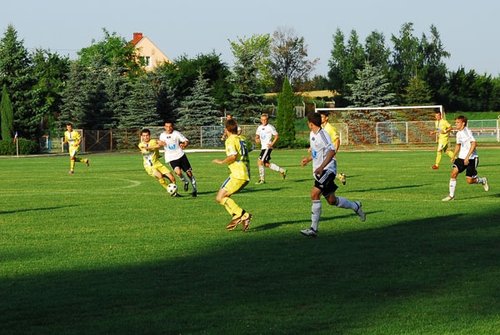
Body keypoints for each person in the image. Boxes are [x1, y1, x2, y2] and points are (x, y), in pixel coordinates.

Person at [300, 111, 366, 238]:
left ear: (310, 124)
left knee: (314, 193)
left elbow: (331, 151)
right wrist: (308, 159)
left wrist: (321, 167)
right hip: (320, 170)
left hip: (328, 170)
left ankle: (313, 229)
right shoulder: (312, 134)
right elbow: (317, 152)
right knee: (331, 200)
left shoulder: (323, 135)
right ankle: (355, 206)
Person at [212, 118, 252, 231]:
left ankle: (242, 214)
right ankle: (237, 216)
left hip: (238, 174)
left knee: (220, 197)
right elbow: (251, 148)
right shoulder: (242, 139)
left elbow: (233, 156)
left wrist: (221, 162)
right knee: (223, 197)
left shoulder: (230, 140)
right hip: (245, 174)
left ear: (226, 129)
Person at [442, 115, 489, 201]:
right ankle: (451, 195)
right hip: (461, 158)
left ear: (463, 123)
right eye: (455, 122)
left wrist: (467, 157)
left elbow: (474, 144)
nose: (456, 124)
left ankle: (482, 180)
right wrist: (453, 155)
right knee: (453, 173)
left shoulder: (467, 132)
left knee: (469, 181)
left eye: (458, 122)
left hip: (472, 158)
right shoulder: (458, 133)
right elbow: (458, 145)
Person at [159, 121, 198, 197]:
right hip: (171, 157)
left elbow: (186, 141)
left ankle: (194, 189)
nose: (168, 128)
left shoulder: (176, 133)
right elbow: (160, 142)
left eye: (170, 126)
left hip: (180, 155)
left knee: (189, 173)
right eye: (167, 126)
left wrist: (184, 144)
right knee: (178, 173)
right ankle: (185, 182)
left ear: (172, 127)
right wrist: (160, 143)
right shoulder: (162, 135)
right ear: (164, 127)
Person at [138, 128, 179, 196]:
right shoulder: (140, 144)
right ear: (142, 136)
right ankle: (169, 190)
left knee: (172, 178)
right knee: (160, 176)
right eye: (144, 136)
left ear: (150, 135)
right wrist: (156, 146)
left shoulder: (153, 141)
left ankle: (174, 192)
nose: (145, 137)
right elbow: (154, 147)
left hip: (158, 164)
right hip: (149, 166)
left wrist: (159, 143)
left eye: (147, 135)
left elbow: (159, 144)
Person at [254, 113, 287, 184]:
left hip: (267, 147)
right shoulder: (259, 127)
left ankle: (262, 179)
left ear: (267, 120)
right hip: (263, 147)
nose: (264, 121)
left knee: (259, 162)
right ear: (261, 120)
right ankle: (282, 170)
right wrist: (257, 139)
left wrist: (272, 144)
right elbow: (257, 136)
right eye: (262, 120)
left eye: (265, 120)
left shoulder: (270, 127)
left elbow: (276, 136)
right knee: (266, 164)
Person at [319, 110, 347, 185]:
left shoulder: (329, 128)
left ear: (326, 118)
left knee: (325, 171)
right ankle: (340, 176)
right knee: (325, 170)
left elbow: (337, 140)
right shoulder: (321, 128)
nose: (320, 119)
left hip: (329, 153)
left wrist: (334, 152)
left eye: (322, 117)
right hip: (323, 153)